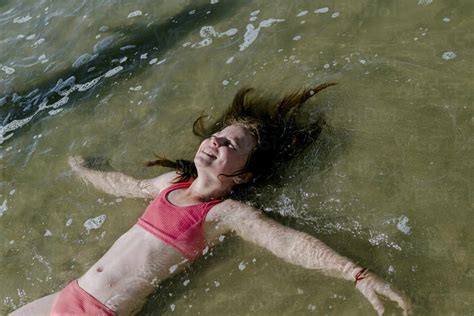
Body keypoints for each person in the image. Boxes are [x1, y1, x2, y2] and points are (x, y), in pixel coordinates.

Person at [11, 83, 411, 316]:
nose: (217, 141)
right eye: (218, 135)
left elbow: (287, 242)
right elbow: (127, 185)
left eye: (231, 144)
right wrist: (85, 172)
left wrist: (354, 273)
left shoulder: (224, 213)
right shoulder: (170, 183)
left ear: (244, 174)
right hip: (68, 295)